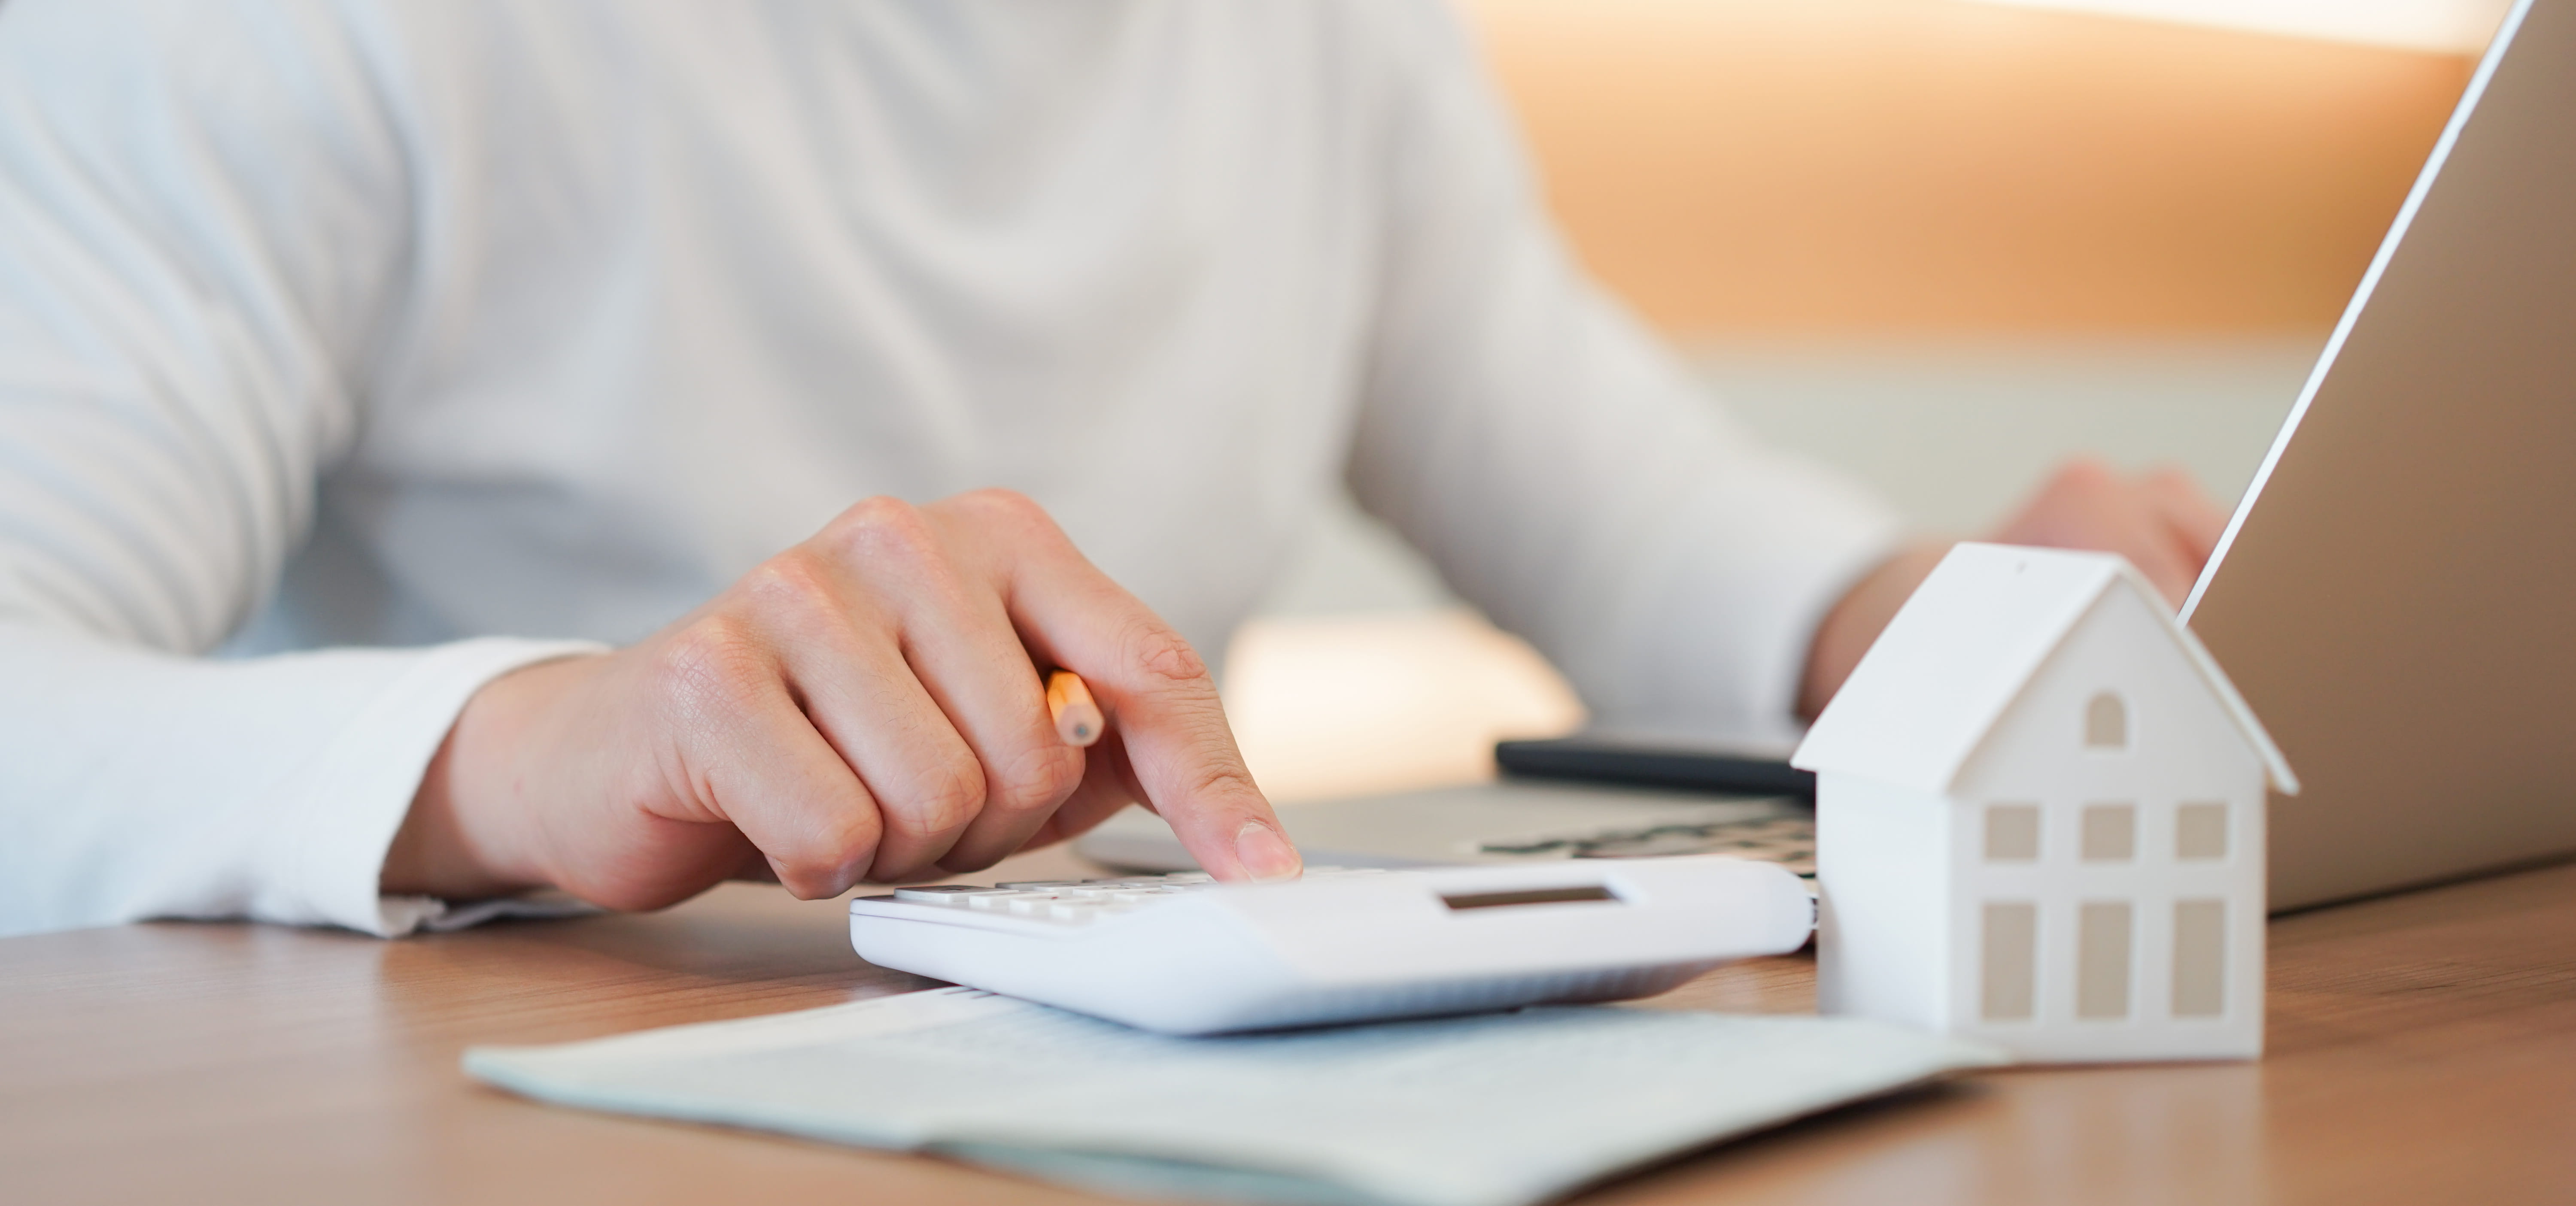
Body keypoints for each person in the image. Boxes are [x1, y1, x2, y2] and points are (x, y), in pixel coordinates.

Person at [0, 0, 2223, 939]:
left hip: (1104, 1113)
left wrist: (1931, 624)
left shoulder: (1308, 37)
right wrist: (544, 741)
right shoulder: (283, 40)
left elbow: (1606, 488)